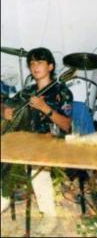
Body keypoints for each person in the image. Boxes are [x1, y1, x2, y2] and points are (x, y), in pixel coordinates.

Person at [0, 47, 73, 235]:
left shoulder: (61, 91)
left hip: (52, 141)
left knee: (37, 168)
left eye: (39, 62)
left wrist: (45, 108)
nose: (35, 66)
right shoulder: (27, 91)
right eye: (31, 63)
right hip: (25, 141)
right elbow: (6, 105)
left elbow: (67, 126)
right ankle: (4, 197)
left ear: (50, 66)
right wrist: (4, 111)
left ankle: (49, 217)